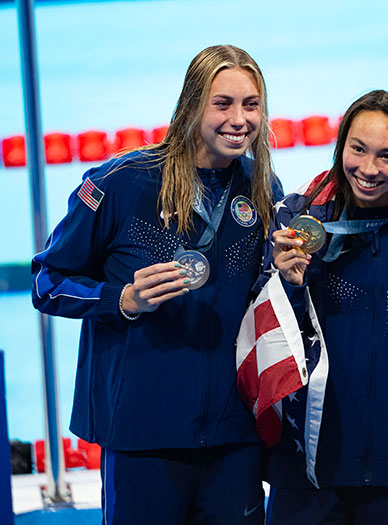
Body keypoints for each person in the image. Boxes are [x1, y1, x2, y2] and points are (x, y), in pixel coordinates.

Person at [31, 45, 283, 524]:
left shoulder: (261, 186)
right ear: (191, 105)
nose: (239, 119)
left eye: (251, 104)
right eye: (222, 103)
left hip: (233, 433)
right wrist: (120, 299)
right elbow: (47, 280)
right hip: (143, 432)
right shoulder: (120, 183)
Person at [260, 90, 388, 524]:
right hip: (311, 455)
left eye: (387, 156)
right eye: (358, 149)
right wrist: (288, 287)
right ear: (341, 147)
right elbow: (268, 341)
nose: (368, 169)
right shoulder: (299, 215)